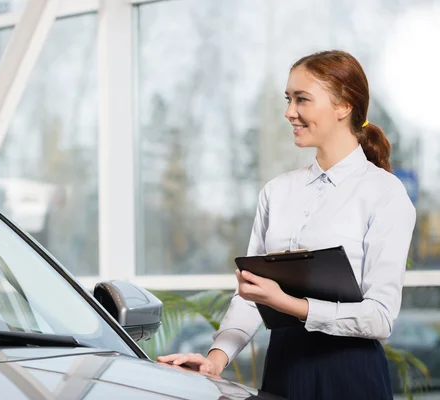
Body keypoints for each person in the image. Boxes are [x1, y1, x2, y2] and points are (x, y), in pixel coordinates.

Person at [158, 50, 416, 400]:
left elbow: (380, 317)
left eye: (302, 99)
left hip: (352, 376)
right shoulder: (276, 192)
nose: (289, 112)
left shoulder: (384, 193)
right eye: (288, 99)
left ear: (343, 106)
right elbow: (251, 296)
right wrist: (215, 360)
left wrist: (290, 303)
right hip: (283, 369)